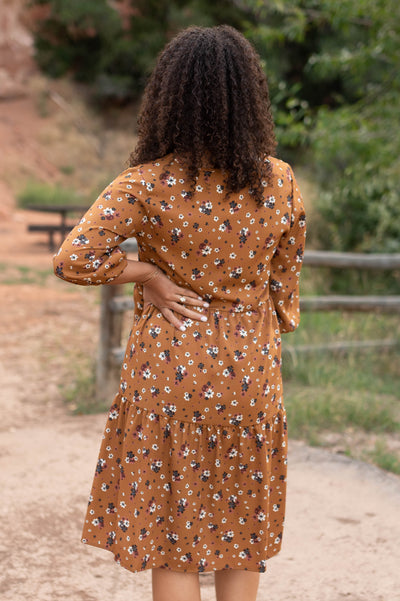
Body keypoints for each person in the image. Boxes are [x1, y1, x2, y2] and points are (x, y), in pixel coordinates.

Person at [53, 24, 306, 601]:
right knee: (241, 529)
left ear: (168, 97)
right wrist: (258, 319)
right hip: (249, 375)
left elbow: (73, 259)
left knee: (174, 533)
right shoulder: (281, 182)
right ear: (249, 98)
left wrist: (148, 275)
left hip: (169, 372)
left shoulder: (145, 185)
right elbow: (284, 287)